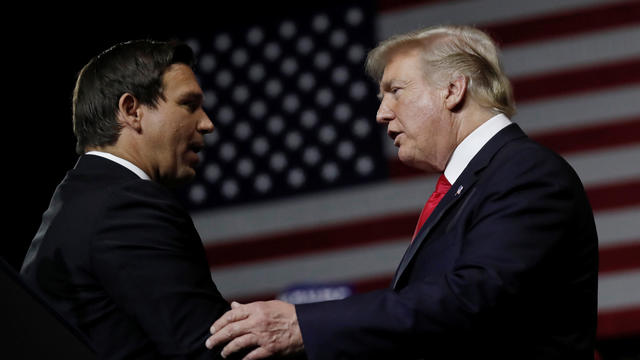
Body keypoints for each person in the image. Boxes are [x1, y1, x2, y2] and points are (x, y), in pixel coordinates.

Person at [204, 25, 599, 360]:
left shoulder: (524, 172)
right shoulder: (476, 182)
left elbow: (471, 300)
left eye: (396, 90)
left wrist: (302, 324)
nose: (381, 113)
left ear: (452, 90)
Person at [20, 40, 230, 359]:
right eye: (189, 104)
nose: (206, 123)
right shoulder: (127, 205)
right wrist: (307, 334)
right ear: (132, 110)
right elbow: (209, 349)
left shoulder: (80, 199)